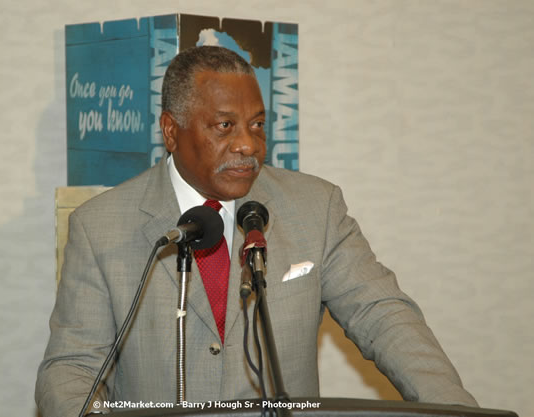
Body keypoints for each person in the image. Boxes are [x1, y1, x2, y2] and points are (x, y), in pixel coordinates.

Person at [36, 46, 477, 417]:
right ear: (172, 131)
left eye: (257, 125)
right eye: (225, 126)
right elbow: (72, 371)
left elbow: (384, 316)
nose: (248, 144)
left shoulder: (315, 208)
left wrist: (457, 409)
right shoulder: (100, 225)